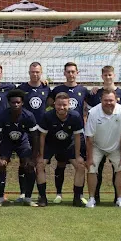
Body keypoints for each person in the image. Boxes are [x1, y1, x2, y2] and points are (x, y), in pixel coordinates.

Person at [86, 65, 121, 204]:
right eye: (106, 101)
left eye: (111, 100)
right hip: (97, 146)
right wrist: (89, 158)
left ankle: (120, 199)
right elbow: (89, 138)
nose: (108, 103)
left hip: (116, 146)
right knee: (92, 168)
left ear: (116, 100)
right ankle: (92, 198)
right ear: (101, 100)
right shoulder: (93, 112)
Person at [47, 62, 88, 204]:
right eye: (68, 72)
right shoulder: (58, 89)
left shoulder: (83, 90)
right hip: (59, 134)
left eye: (73, 72)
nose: (71, 74)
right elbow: (47, 102)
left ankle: (79, 195)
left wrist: (96, 90)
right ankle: (59, 194)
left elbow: (94, 102)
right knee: (61, 164)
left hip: (76, 135)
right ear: (64, 73)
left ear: (77, 73)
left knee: (80, 163)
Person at [37, 92, 86, 207]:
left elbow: (78, 137)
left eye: (64, 105)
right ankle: (43, 198)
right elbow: (42, 136)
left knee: (80, 166)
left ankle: (77, 198)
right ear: (54, 104)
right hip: (51, 143)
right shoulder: (47, 116)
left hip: (68, 144)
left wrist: (78, 155)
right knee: (39, 165)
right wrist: (40, 154)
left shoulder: (75, 116)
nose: (62, 107)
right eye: (59, 105)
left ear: (69, 104)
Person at [0, 89, 39, 206]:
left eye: (18, 102)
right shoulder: (1, 116)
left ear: (22, 102)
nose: (16, 104)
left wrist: (34, 159)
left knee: (28, 166)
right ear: (9, 103)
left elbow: (35, 137)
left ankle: (27, 198)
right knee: (2, 165)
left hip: (22, 142)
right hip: (7, 142)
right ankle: (0, 198)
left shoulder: (28, 116)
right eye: (13, 102)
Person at [15, 62, 50, 203]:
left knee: (40, 162)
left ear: (41, 73)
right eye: (32, 72)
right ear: (29, 72)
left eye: (37, 72)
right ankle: (23, 193)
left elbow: (50, 103)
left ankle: (40, 194)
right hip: (25, 132)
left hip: (41, 132)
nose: (35, 74)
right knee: (24, 162)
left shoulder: (46, 88)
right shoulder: (22, 88)